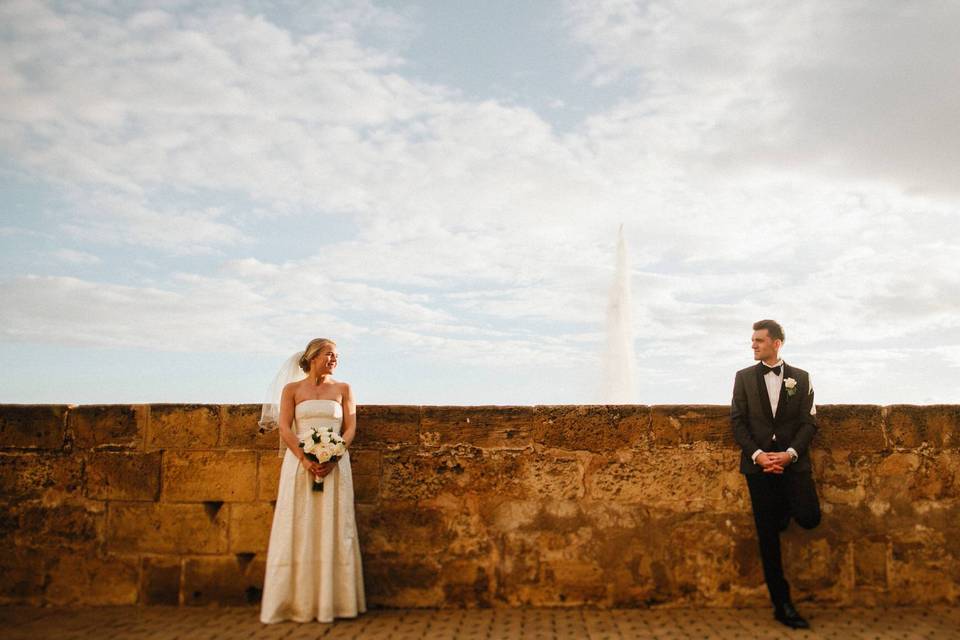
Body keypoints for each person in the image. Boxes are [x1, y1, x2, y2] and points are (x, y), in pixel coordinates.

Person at [259, 338, 366, 623]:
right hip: (299, 465)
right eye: (330, 354)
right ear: (314, 356)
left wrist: (333, 456)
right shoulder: (291, 389)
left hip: (336, 465)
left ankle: (337, 601)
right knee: (299, 522)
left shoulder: (344, 389)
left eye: (337, 355)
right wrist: (306, 459)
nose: (334, 359)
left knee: (334, 524)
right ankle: (295, 602)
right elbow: (284, 426)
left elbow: (351, 426)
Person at [731, 320, 821, 629]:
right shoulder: (743, 378)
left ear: (777, 343)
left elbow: (809, 423)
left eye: (759, 340)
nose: (753, 345)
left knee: (810, 517)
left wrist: (789, 454)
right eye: (752, 340)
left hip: (793, 464)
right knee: (767, 537)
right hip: (759, 468)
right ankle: (782, 604)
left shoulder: (801, 378)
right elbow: (738, 422)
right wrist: (758, 456)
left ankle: (784, 512)